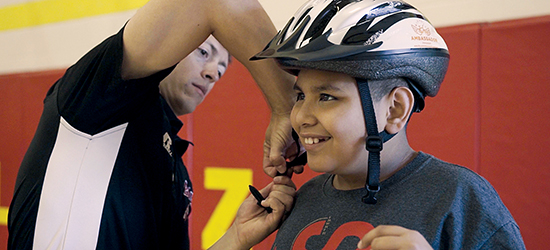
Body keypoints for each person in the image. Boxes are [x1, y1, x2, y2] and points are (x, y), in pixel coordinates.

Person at [7, 0, 301, 249]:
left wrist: (236, 237)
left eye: (221, 69)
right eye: (204, 52)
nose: (213, 72)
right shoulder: (96, 98)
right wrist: (286, 105)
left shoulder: (174, 162)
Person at [253, 0, 527, 249]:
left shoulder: (458, 197)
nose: (301, 117)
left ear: (395, 110)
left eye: (327, 97)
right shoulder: (304, 199)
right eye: (300, 96)